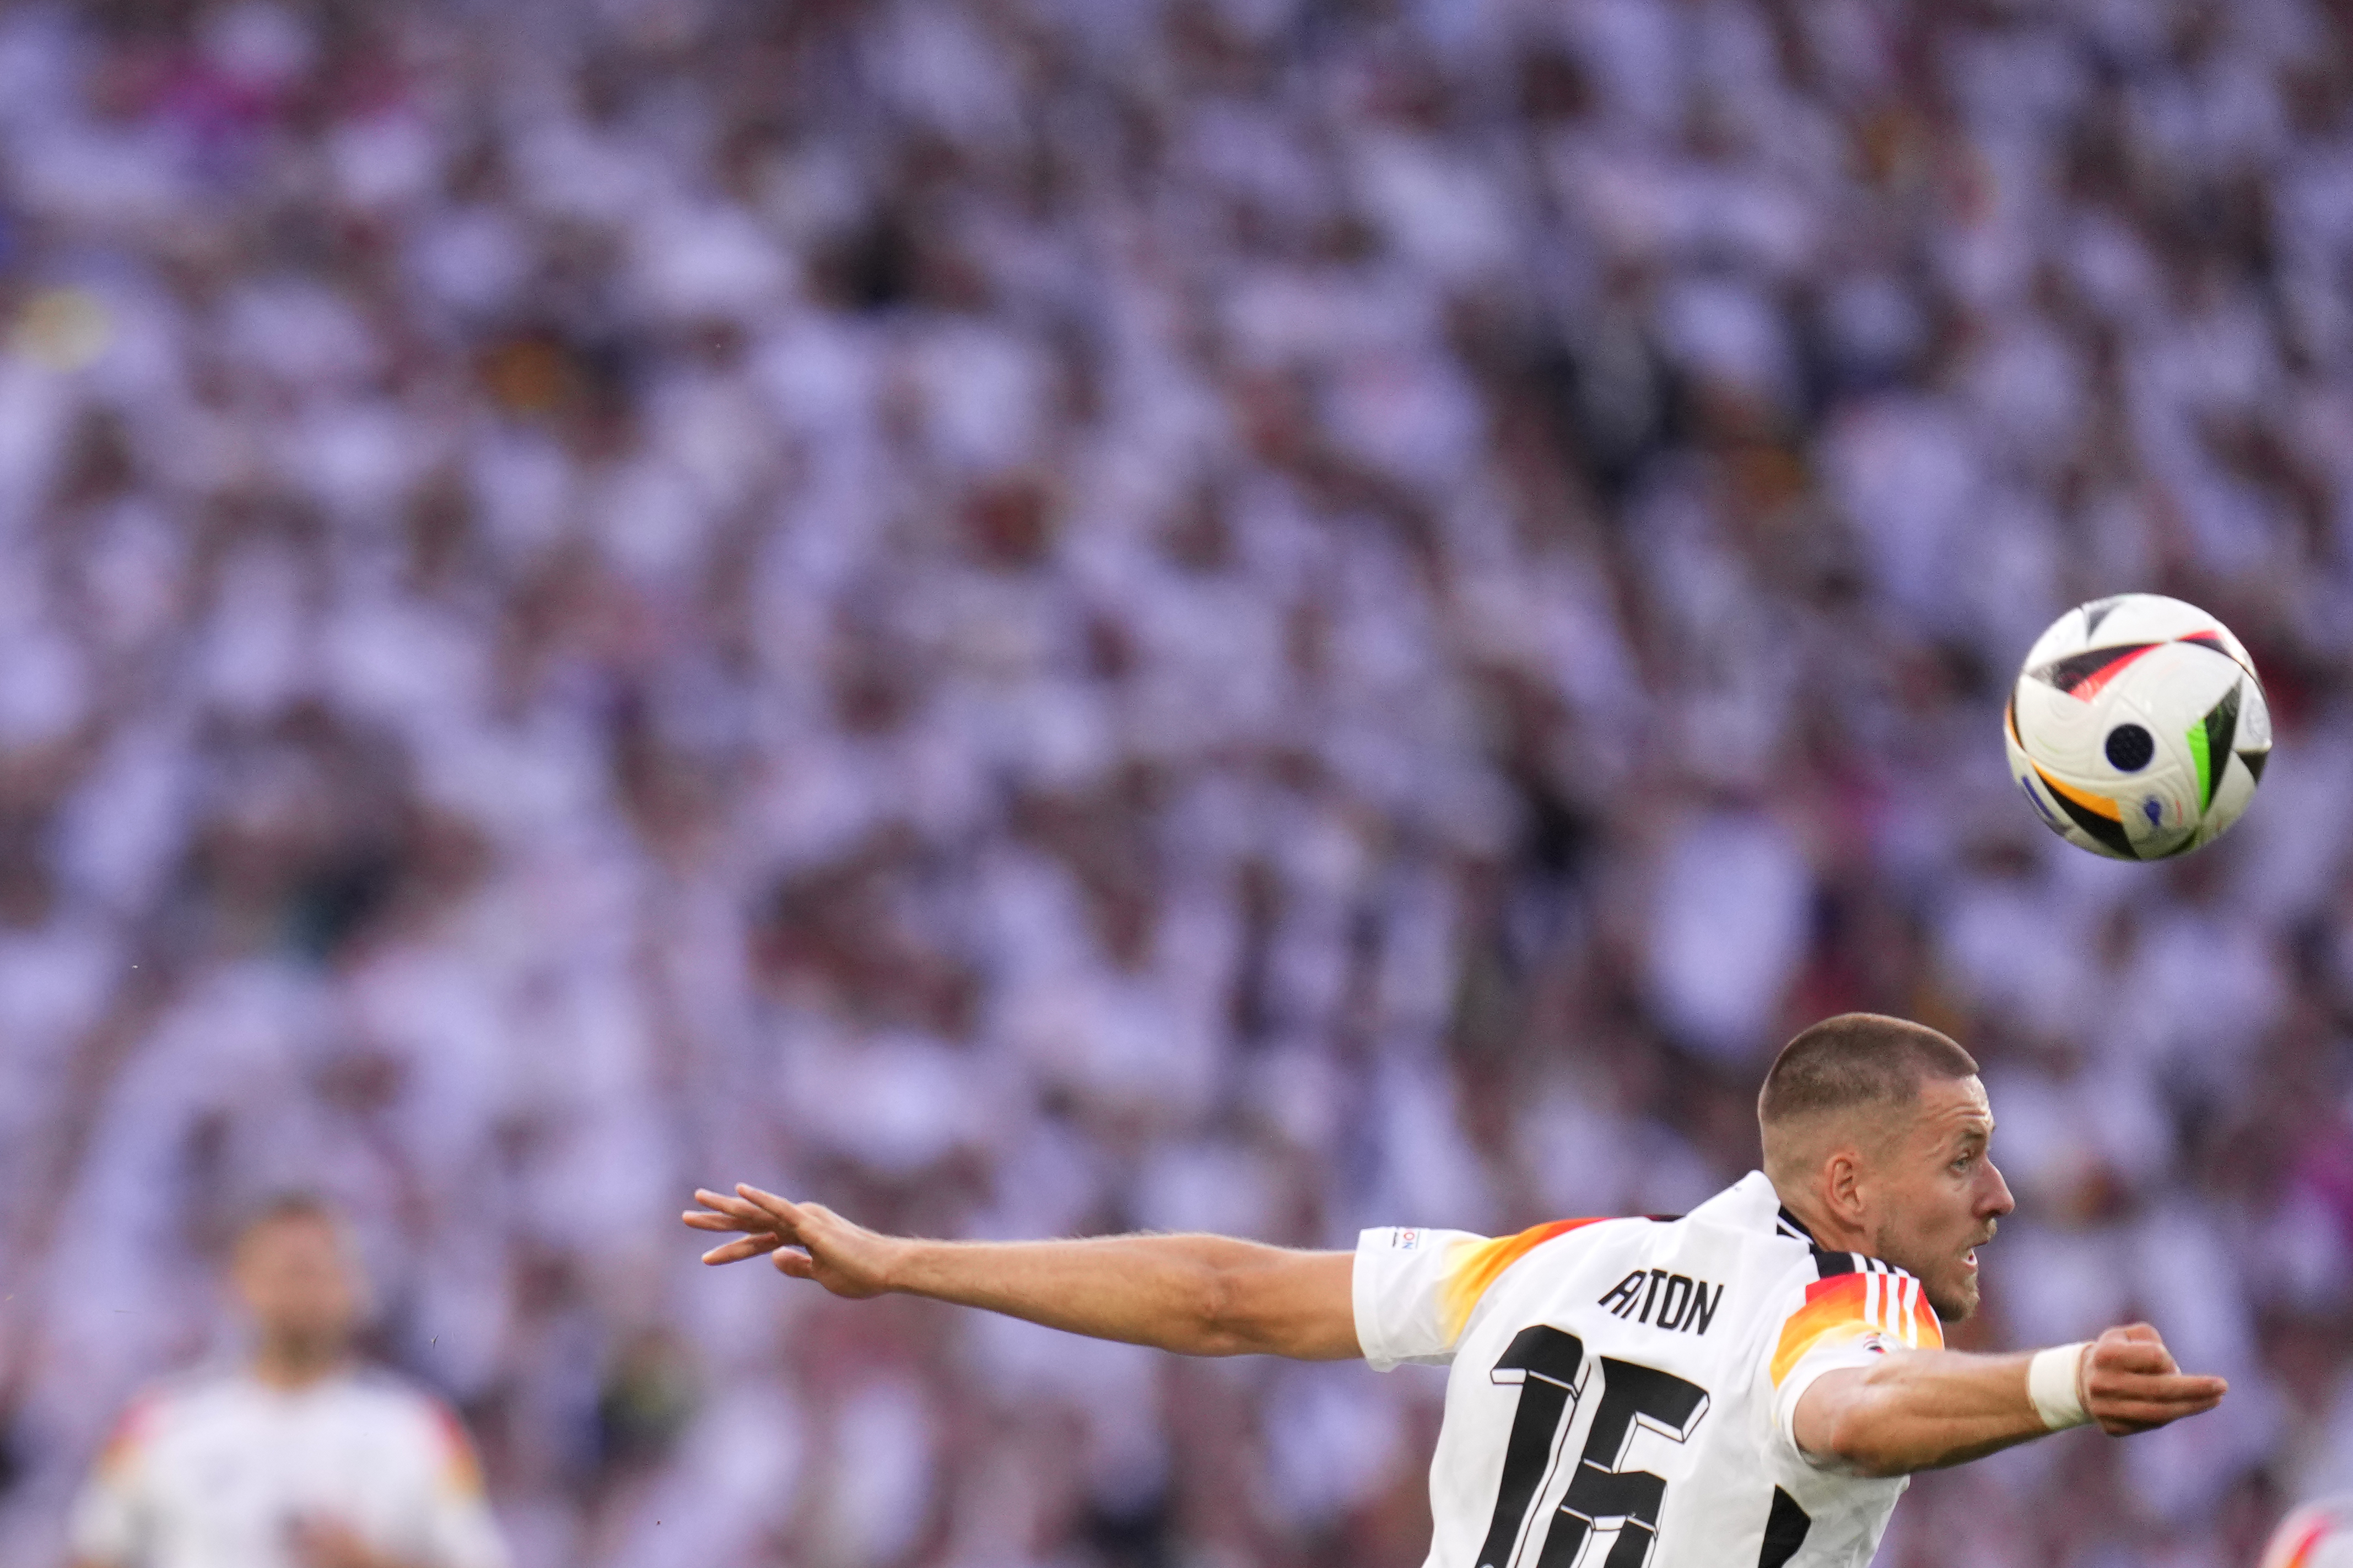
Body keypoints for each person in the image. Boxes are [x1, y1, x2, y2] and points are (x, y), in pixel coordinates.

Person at [686, 1012, 2228, 1566]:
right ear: (1843, 1185)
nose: (1997, 1193)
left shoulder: (1550, 1260)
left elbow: (1224, 1293)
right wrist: (2055, 1383)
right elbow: (1848, 1405)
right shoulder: (1848, 1296)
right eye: (1961, 1154)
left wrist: (904, 1258)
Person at [68, 1196, 509, 1568]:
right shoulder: (160, 1420)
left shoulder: (418, 1428)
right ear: (239, 1283)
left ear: (354, 1286)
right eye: (287, 1271)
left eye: (318, 1270)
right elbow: (94, 1552)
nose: (302, 1291)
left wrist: (375, 1561)